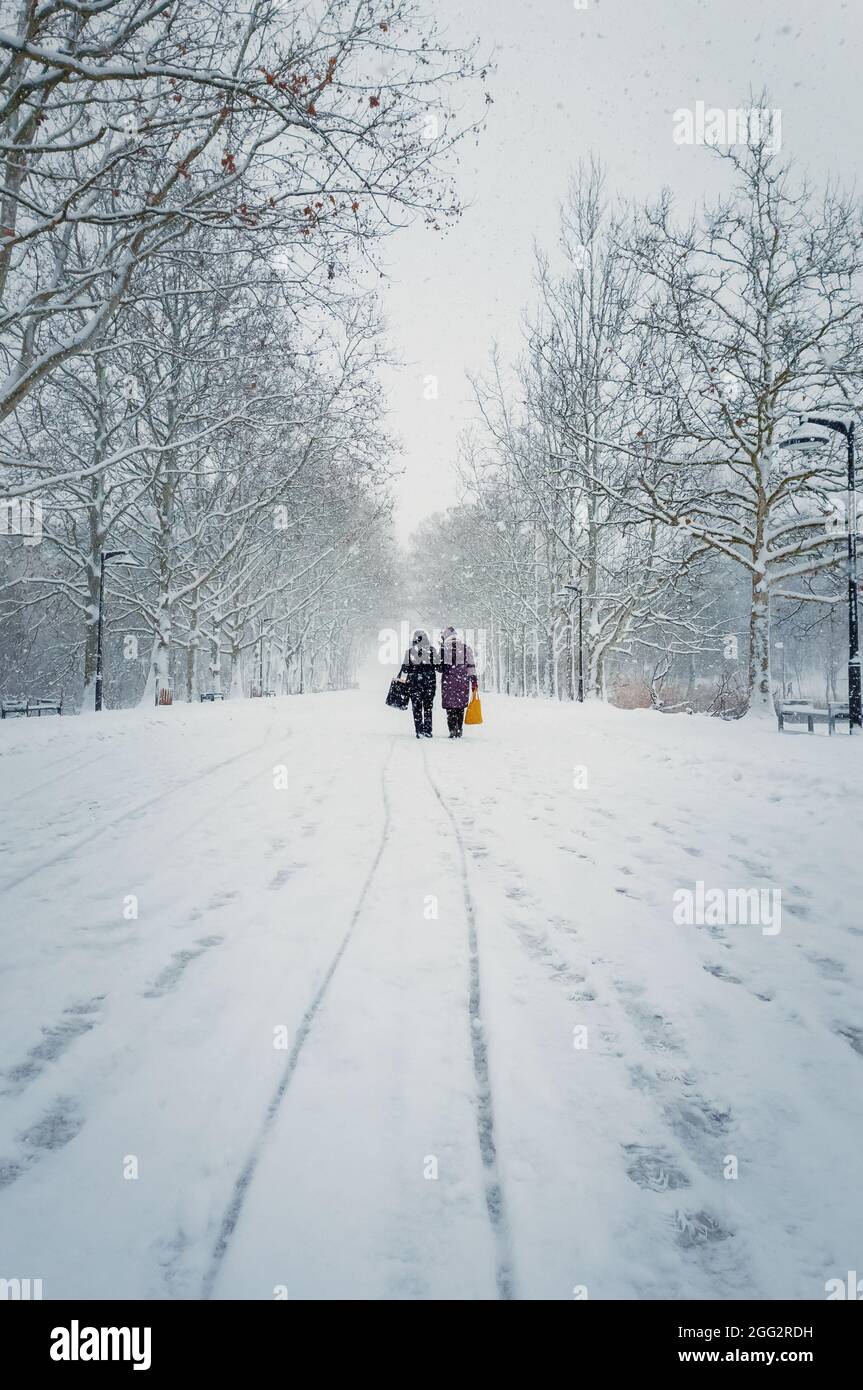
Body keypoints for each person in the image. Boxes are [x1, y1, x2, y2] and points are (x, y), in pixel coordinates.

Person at [439, 625, 477, 738]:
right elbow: (471, 667)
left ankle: (452, 730)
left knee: (450, 708)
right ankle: (459, 729)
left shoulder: (444, 649)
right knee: (460, 707)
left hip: (448, 682)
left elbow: (440, 668)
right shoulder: (466, 648)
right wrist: (474, 681)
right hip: (462, 682)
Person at [398, 628, 437, 739]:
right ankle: (428, 731)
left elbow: (405, 670)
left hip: (414, 685)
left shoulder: (410, 652)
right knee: (428, 707)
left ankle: (419, 731)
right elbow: (438, 666)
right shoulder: (432, 651)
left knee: (417, 708)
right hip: (429, 684)